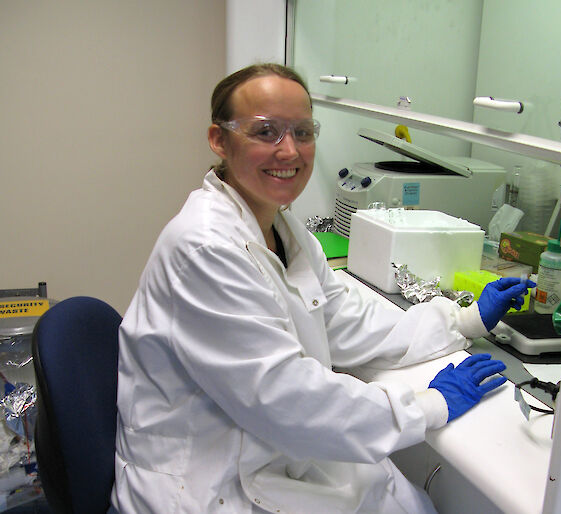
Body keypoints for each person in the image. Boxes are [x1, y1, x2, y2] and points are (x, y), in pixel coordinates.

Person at [110, 63, 535, 514]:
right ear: (220, 140)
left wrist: (463, 318)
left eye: (303, 132)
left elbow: (345, 321)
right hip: (205, 482)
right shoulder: (205, 248)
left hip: (262, 449)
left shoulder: (282, 229)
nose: (289, 150)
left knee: (406, 501)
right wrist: (427, 406)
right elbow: (285, 399)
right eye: (266, 132)